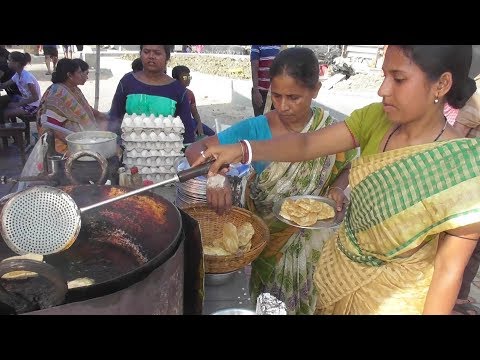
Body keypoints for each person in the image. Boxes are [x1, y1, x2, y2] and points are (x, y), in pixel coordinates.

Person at [194, 45, 480, 315]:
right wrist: (243, 149)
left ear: (441, 85)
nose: (382, 90)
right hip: (336, 278)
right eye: (383, 76)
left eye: (399, 78)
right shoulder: (375, 119)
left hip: (395, 299)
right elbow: (305, 145)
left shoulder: (464, 169)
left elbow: (448, 272)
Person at [186, 47, 357, 314]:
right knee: (269, 303)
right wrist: (217, 177)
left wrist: (336, 187)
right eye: (276, 96)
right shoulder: (256, 129)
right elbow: (196, 150)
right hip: (268, 244)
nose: (283, 106)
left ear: (316, 90)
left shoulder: (328, 131)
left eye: (294, 97)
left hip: (316, 247)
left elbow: (347, 165)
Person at [109, 45, 196, 143]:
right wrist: (114, 145)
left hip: (167, 153)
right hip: (129, 151)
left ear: (167, 57)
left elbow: (187, 129)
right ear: (140, 54)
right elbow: (114, 117)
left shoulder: (177, 89)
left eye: (157, 53)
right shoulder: (127, 82)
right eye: (146, 52)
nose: (151, 56)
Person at [36, 58, 108, 154]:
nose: (85, 76)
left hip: (73, 137)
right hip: (59, 143)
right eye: (79, 72)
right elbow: (52, 126)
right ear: (69, 75)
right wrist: (78, 144)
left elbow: (86, 109)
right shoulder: (58, 93)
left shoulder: (73, 88)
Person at [451, 88, 480, 315]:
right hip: (470, 186)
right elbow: (457, 135)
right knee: (460, 245)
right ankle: (451, 297)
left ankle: (459, 296)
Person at [172, 65, 215, 140]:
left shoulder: (190, 94)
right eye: (185, 77)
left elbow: (194, 112)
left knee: (212, 135)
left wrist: (199, 125)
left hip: (190, 120)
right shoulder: (171, 93)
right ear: (176, 79)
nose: (188, 80)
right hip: (176, 122)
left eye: (189, 77)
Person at [0, 51, 41, 124]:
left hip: (34, 106)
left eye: (9, 60)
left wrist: (18, 104)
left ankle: (12, 132)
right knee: (7, 106)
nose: (7, 61)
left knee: (6, 113)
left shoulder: (26, 77)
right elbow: (4, 85)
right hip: (27, 102)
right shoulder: (17, 75)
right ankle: (12, 129)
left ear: (17, 63)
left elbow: (35, 97)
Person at [250, 45, 281, 116]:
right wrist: (256, 91)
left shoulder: (282, 47)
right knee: (261, 122)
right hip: (261, 93)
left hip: (278, 93)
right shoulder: (257, 45)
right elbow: (254, 68)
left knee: (276, 122)